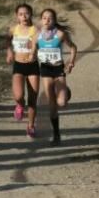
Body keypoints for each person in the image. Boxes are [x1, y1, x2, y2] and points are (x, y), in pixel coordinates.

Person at [37, 8, 77, 145]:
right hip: (46, 71)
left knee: (62, 103)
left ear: (54, 21)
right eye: (44, 18)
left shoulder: (60, 34)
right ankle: (56, 135)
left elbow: (73, 48)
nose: (47, 20)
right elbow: (31, 49)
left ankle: (66, 91)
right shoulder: (36, 35)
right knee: (52, 106)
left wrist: (71, 62)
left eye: (50, 18)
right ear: (40, 20)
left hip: (58, 69)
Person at [6, 3, 39, 137]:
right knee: (19, 96)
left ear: (31, 14)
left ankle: (31, 126)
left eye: (26, 13)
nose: (24, 16)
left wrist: (33, 52)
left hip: (32, 66)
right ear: (17, 16)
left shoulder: (35, 30)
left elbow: (36, 44)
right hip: (19, 65)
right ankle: (19, 105)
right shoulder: (14, 29)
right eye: (21, 14)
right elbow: (8, 40)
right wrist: (9, 52)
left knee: (33, 99)